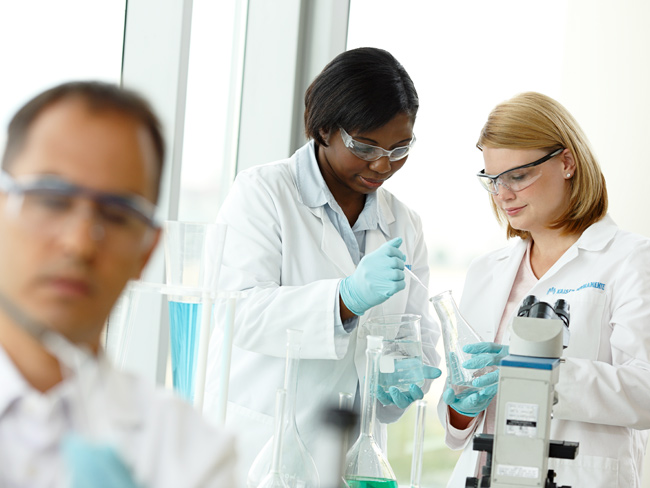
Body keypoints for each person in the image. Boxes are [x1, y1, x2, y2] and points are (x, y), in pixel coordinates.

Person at [203, 47, 441, 483]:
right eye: (366, 146)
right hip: (258, 447)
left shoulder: (405, 224)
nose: (383, 164)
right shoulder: (263, 193)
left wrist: (406, 376)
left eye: (400, 147)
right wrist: (343, 301)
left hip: (351, 455)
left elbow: (418, 337)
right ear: (324, 128)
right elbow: (239, 312)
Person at [0, 81, 236, 487]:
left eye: (116, 215)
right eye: (53, 199)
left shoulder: (190, 453)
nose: (79, 244)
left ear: (146, 252)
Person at [439, 91, 650, 487]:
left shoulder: (631, 259)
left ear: (567, 162)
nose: (502, 195)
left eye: (517, 176)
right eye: (493, 180)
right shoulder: (487, 270)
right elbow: (456, 430)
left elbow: (646, 392)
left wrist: (538, 375)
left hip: (581, 475)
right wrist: (460, 407)